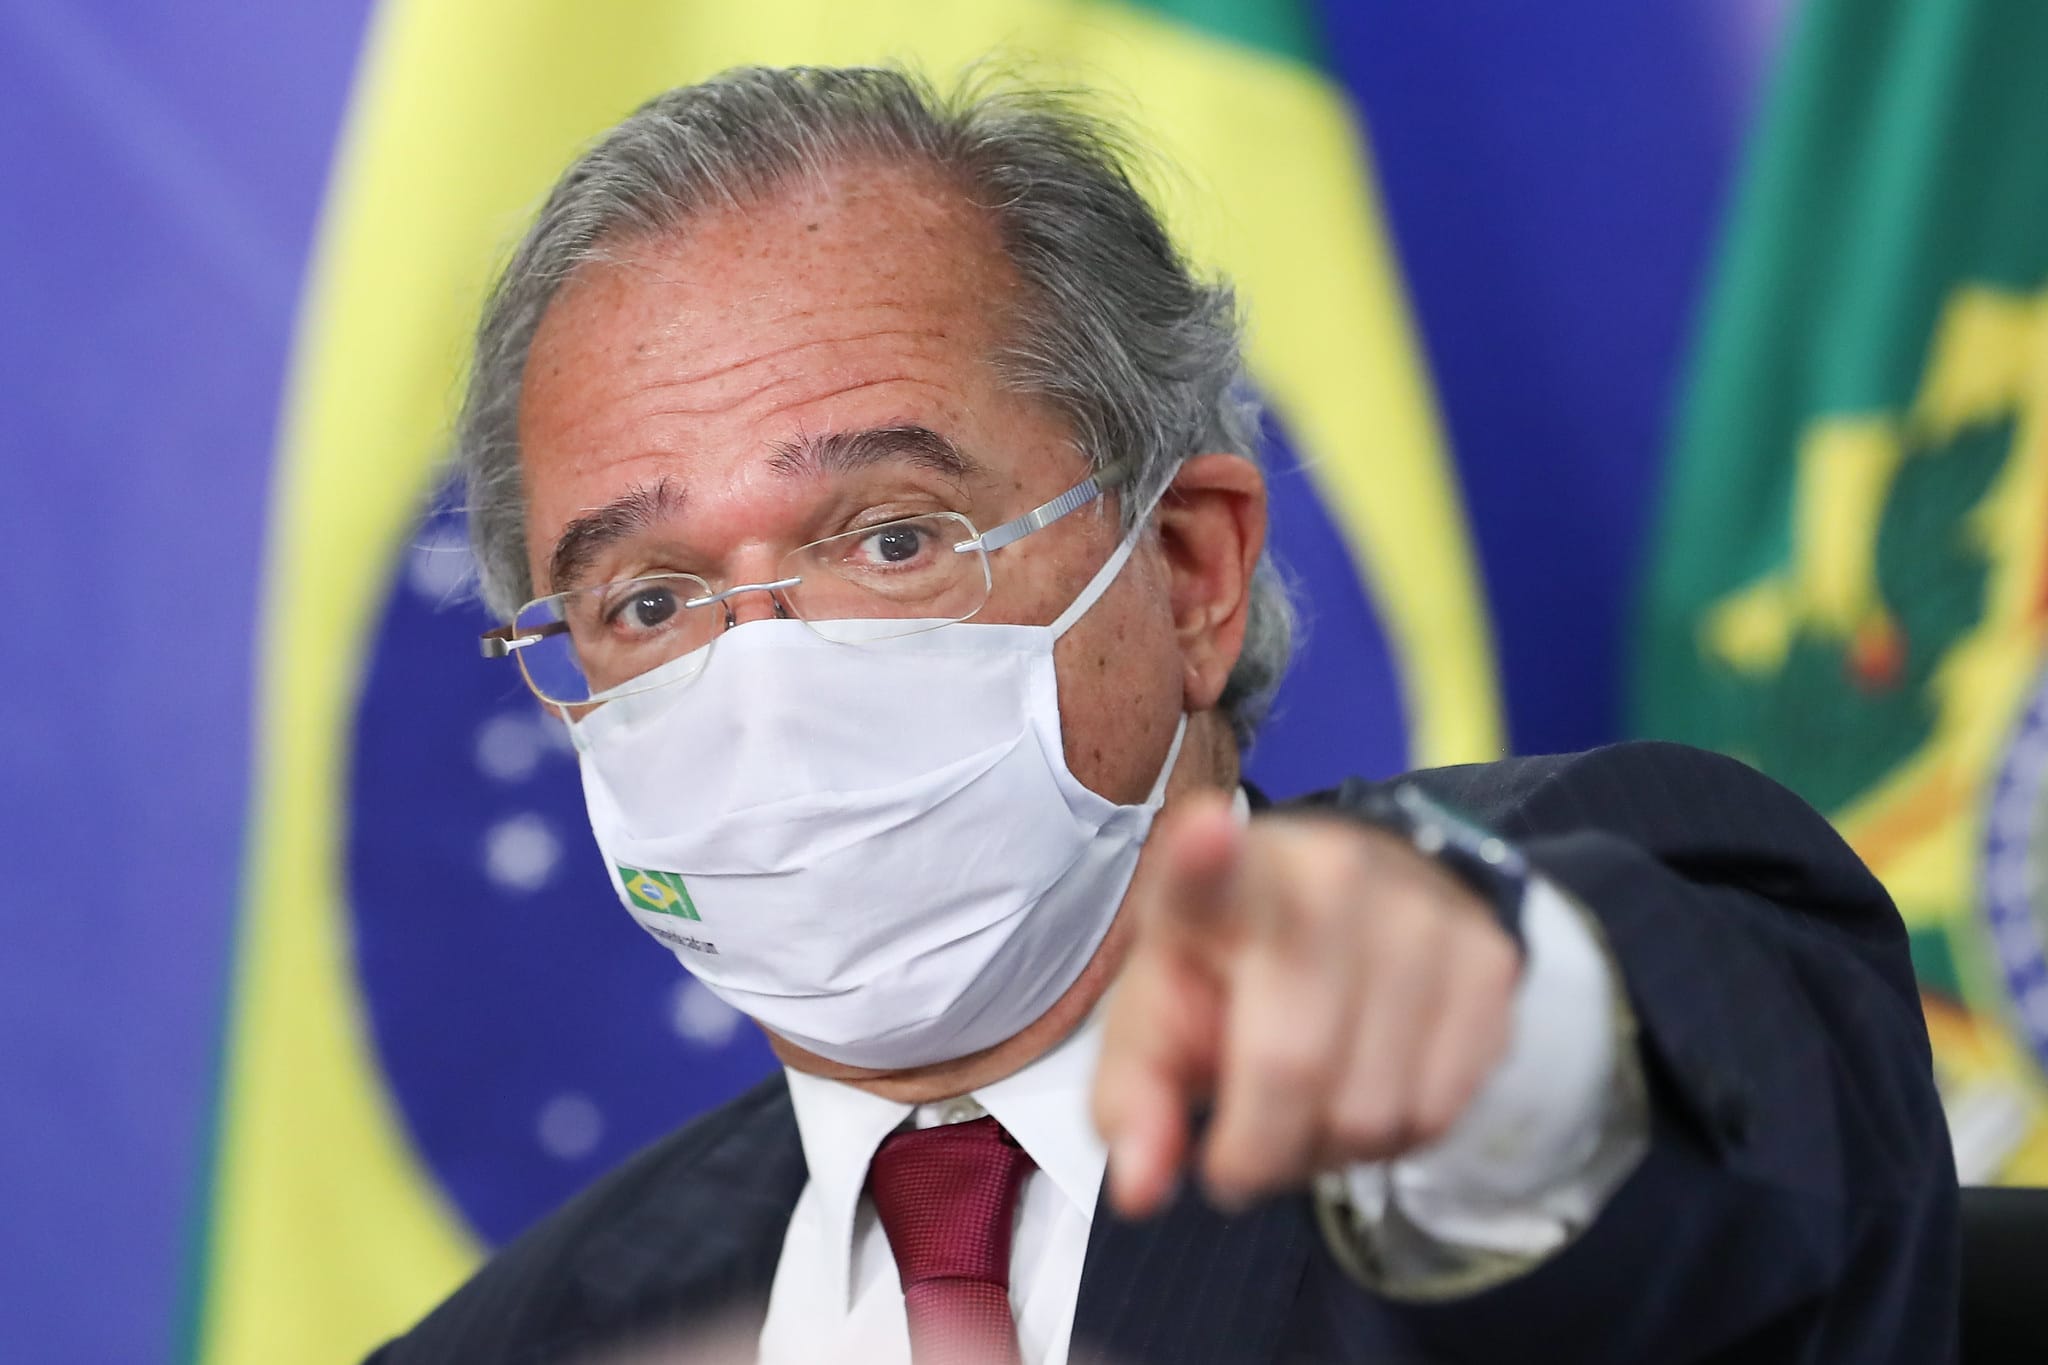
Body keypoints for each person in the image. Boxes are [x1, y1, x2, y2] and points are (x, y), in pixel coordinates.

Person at [368, 66, 1956, 1365]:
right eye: (649, 603)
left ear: (1190, 571)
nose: (764, 681)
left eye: (893, 539)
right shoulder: (506, 1347)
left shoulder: (1531, 960)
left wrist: (1502, 1054)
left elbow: (1701, 1122)